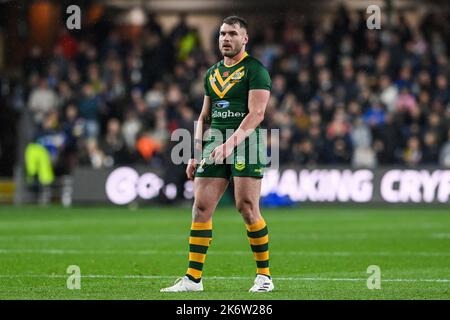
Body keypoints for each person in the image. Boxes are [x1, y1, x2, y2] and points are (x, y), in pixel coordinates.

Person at [161, 16, 274, 293]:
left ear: (244, 39)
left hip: (247, 141)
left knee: (246, 207)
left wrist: (230, 143)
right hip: (215, 141)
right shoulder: (211, 73)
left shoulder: (256, 70)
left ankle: (264, 277)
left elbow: (257, 114)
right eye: (222, 33)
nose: (226, 38)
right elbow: (203, 116)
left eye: (232, 34)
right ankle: (192, 279)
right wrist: (196, 152)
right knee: (200, 208)